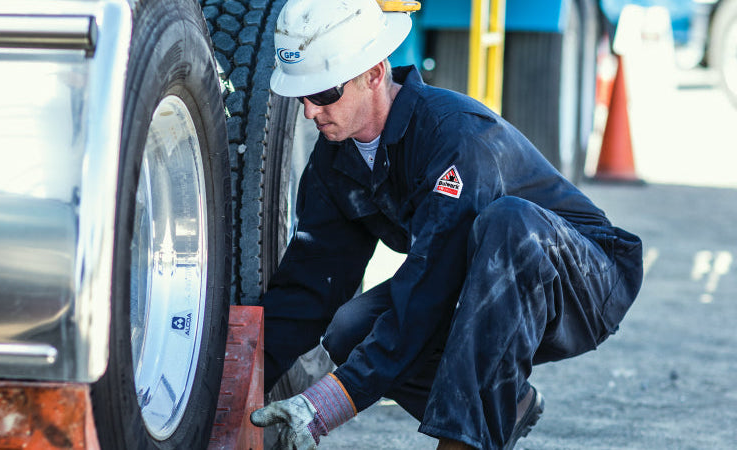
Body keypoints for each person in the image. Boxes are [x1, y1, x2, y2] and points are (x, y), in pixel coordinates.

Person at [250, 0, 643, 449]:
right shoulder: (334, 163)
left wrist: (329, 402)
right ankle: (504, 404)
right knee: (350, 329)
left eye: (323, 94)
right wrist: (234, 388)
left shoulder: (454, 136)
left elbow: (430, 286)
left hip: (583, 277)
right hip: (481, 277)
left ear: (374, 74)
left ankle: (466, 439)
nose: (309, 112)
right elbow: (309, 285)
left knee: (506, 222)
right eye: (302, 95)